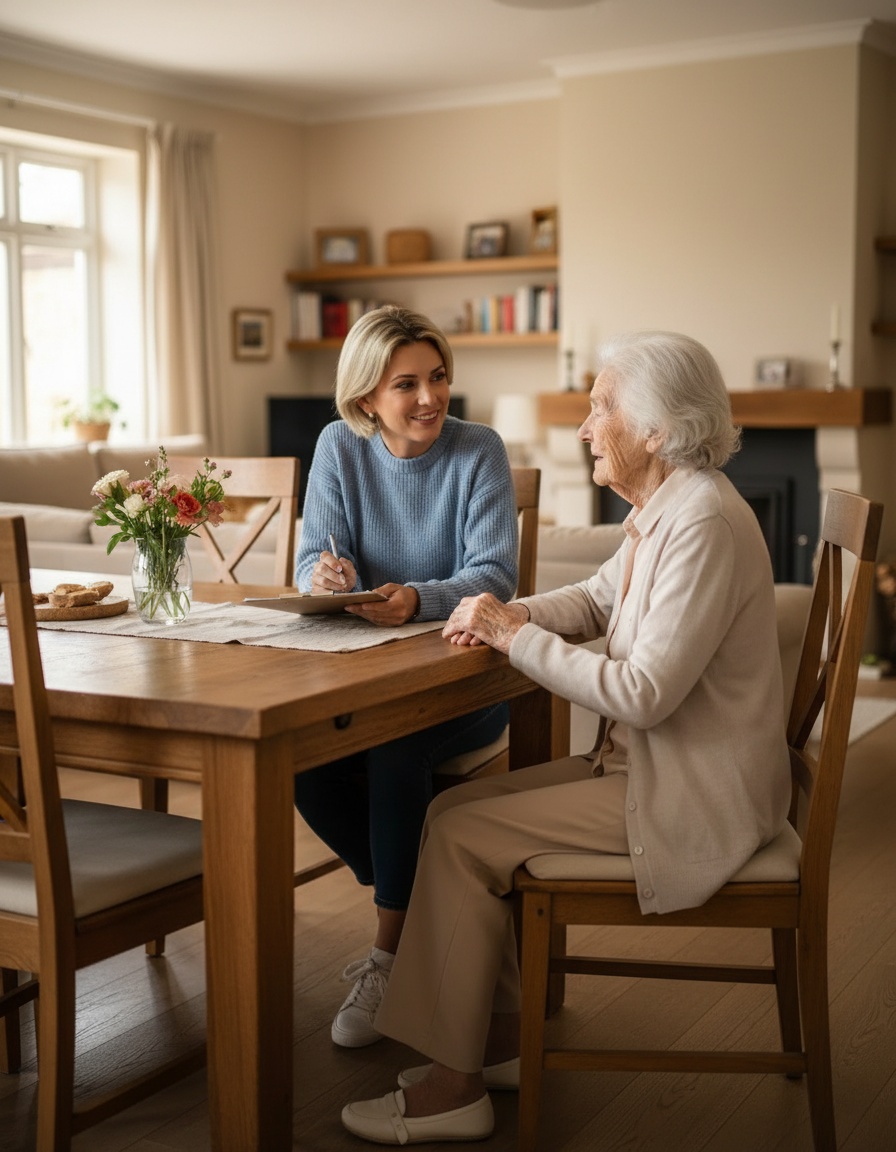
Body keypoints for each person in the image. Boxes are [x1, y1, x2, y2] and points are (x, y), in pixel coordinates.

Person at [340, 330, 792, 1145]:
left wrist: (514, 639)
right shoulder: (671, 506)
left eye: (601, 408)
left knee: (464, 833)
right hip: (651, 769)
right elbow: (592, 599)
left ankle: (452, 1088)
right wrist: (507, 614)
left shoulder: (703, 524)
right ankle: (502, 1041)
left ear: (655, 430)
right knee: (453, 814)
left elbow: (643, 694)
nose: (586, 427)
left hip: (687, 795)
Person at [293, 304, 519, 1050]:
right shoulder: (338, 447)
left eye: (439, 376)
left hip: (468, 675)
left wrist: (419, 598)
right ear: (366, 399)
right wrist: (329, 575)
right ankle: (430, 917)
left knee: (396, 747)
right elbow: (308, 567)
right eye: (407, 384)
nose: (431, 397)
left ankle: (391, 955)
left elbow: (494, 574)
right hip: (369, 664)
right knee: (303, 760)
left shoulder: (478, 449)